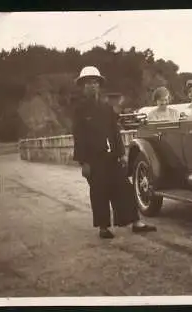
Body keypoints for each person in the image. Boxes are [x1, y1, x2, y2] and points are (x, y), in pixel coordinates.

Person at [72, 66, 156, 239]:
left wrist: (122, 154)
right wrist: (84, 163)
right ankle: (103, 227)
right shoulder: (79, 110)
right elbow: (78, 137)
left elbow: (115, 132)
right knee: (99, 192)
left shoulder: (106, 108)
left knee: (124, 188)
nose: (92, 86)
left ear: (99, 85)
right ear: (83, 86)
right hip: (93, 160)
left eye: (95, 82)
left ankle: (136, 222)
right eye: (88, 83)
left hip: (112, 157)